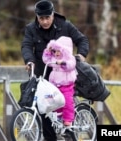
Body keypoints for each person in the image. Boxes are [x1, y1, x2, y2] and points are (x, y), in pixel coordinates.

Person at [21, 0, 89, 140]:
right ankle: (50, 138)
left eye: (47, 18)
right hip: (42, 73)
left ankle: (68, 128)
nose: (45, 21)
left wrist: (81, 55)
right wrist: (29, 61)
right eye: (41, 18)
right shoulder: (31, 28)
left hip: (62, 73)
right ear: (37, 17)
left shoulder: (65, 26)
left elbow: (82, 40)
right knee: (42, 107)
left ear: (53, 15)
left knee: (64, 102)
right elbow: (26, 45)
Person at [42, 36, 77, 127]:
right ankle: (58, 116)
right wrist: (48, 51)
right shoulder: (54, 59)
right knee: (54, 101)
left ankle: (68, 119)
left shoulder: (69, 59)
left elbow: (71, 65)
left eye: (59, 51)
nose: (56, 53)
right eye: (55, 51)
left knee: (67, 101)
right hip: (54, 85)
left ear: (65, 51)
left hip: (66, 85)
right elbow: (46, 60)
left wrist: (63, 63)